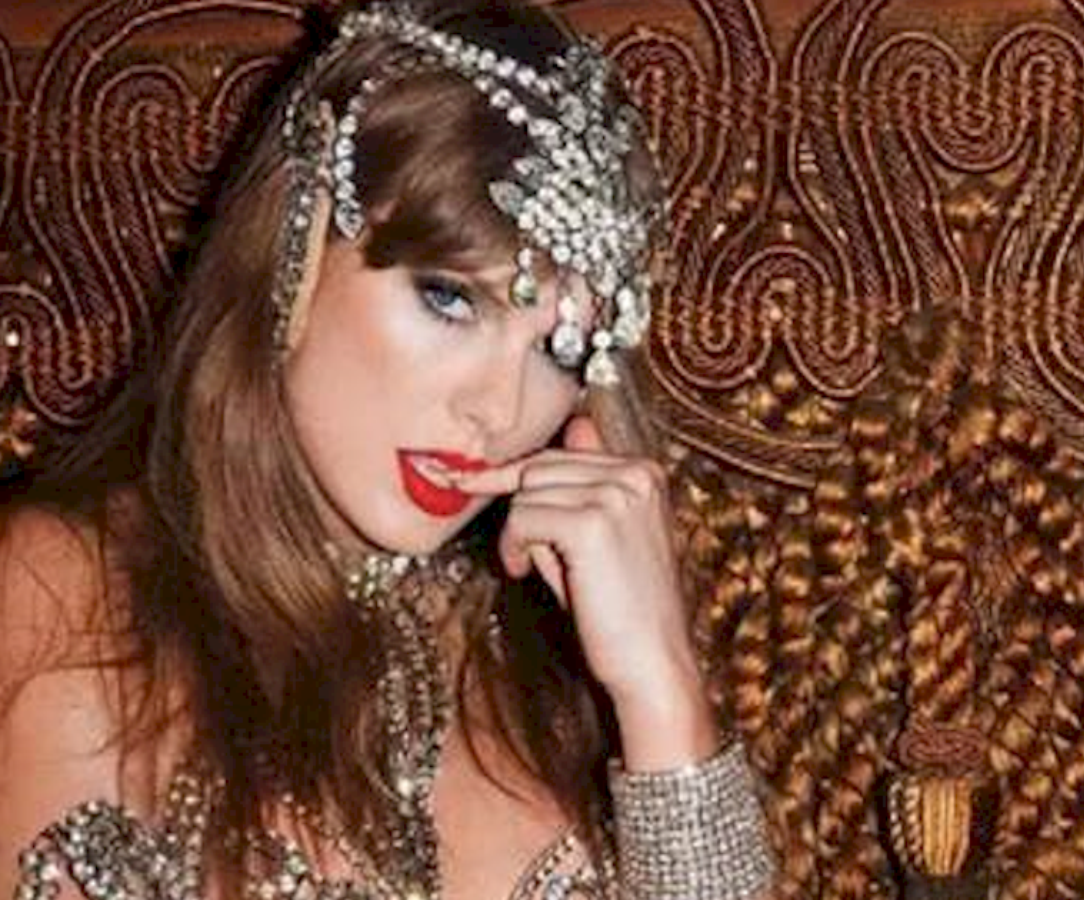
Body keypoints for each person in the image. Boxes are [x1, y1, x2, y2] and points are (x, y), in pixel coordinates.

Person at [0, 2, 776, 899]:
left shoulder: (552, 662)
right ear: (294, 246)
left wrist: (662, 694)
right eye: (450, 299)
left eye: (560, 350)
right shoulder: (54, 593)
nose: (498, 408)